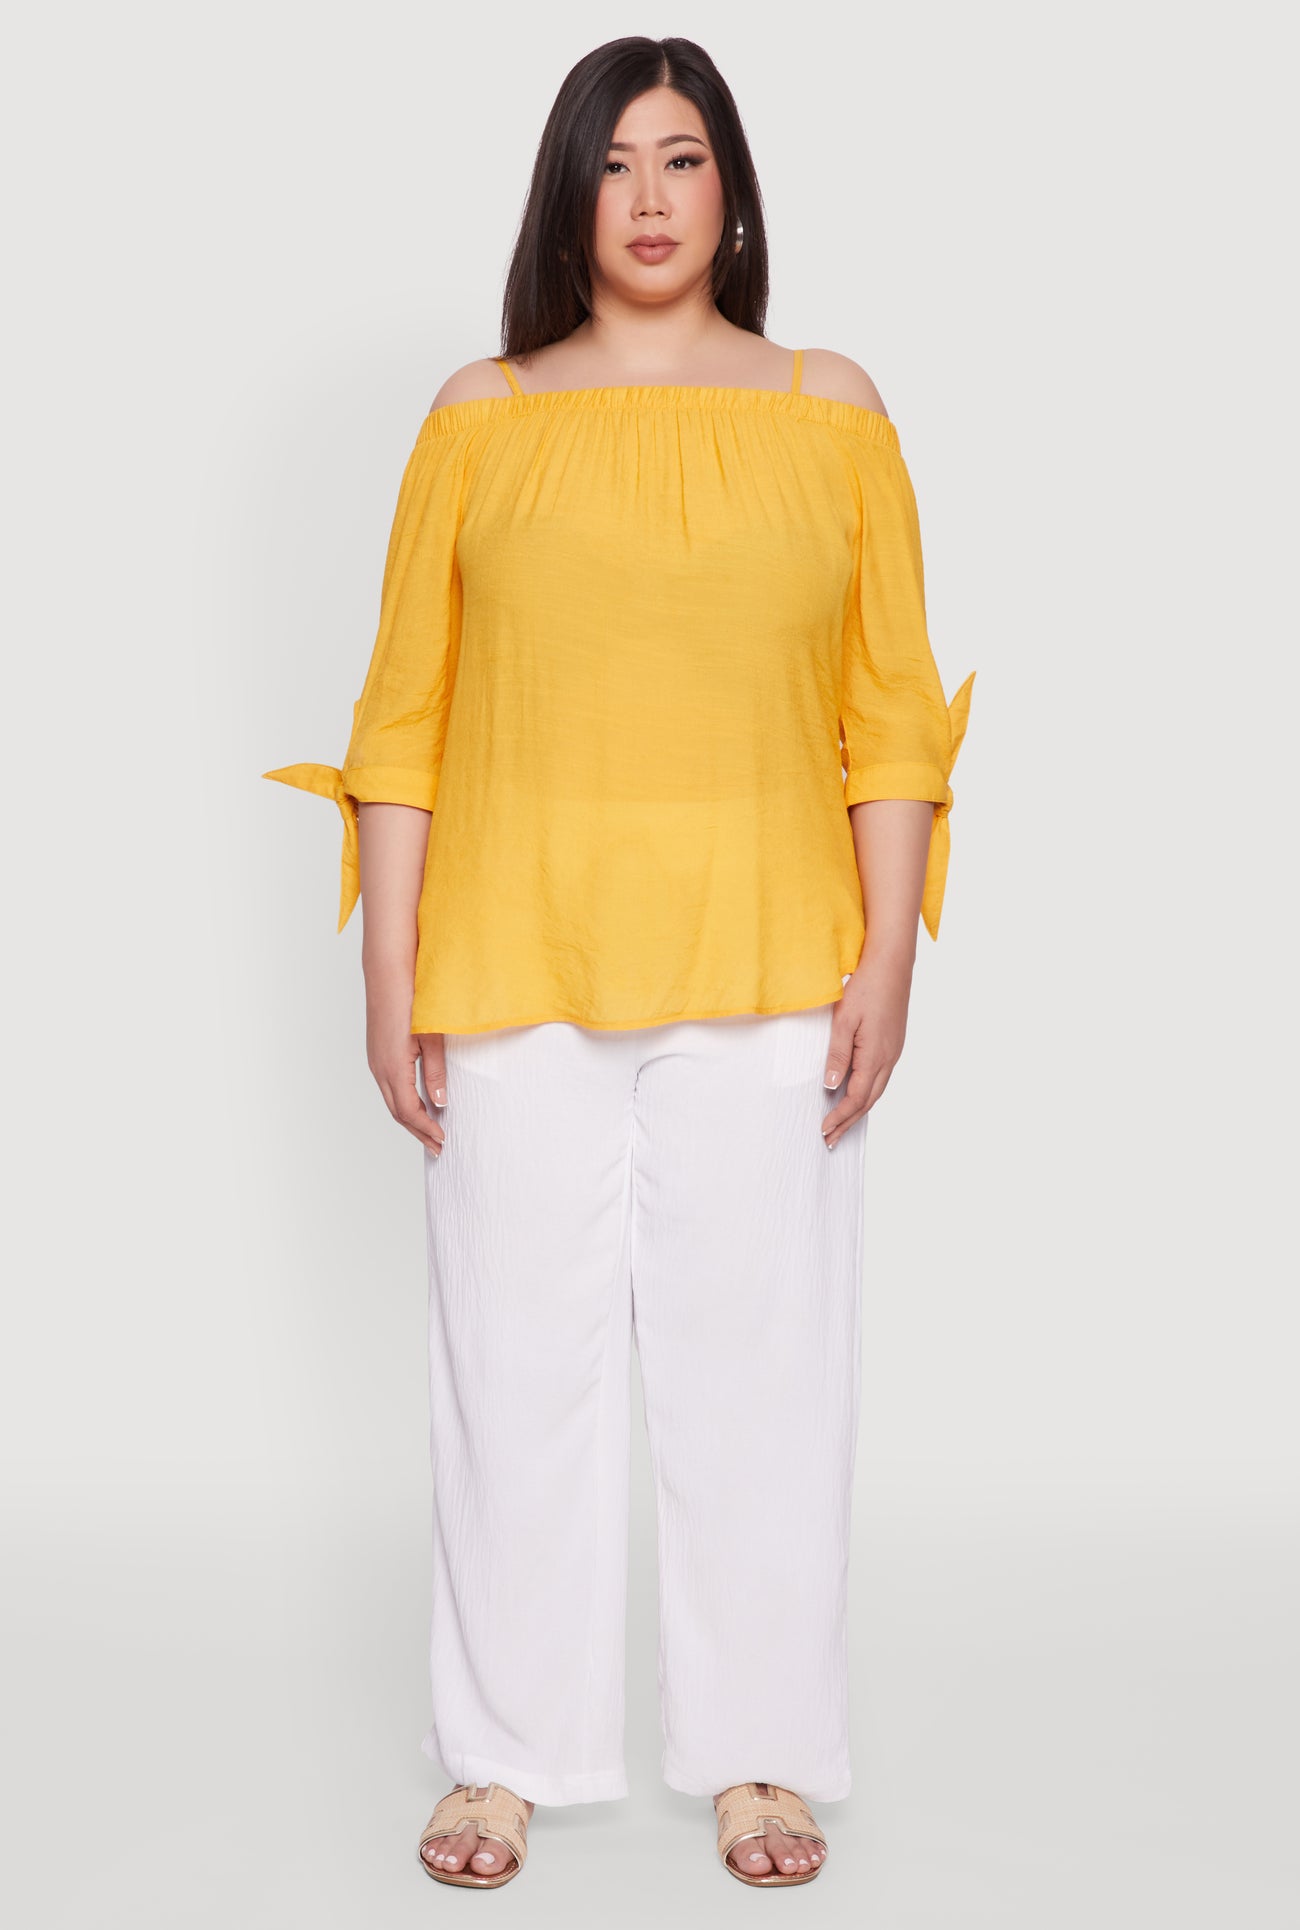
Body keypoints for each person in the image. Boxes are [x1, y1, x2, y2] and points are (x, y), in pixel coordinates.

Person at [263, 34, 974, 1893]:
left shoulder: (832, 409)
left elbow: (893, 711)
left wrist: (889, 960)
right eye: (614, 163)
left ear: (731, 193)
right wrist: (388, 969)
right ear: (566, 197)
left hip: (772, 962)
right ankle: (502, 1758)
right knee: (515, 1375)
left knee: (763, 1380)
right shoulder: (479, 416)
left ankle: (759, 1752)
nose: (649, 199)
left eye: (682, 159)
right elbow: (403, 717)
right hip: (512, 964)